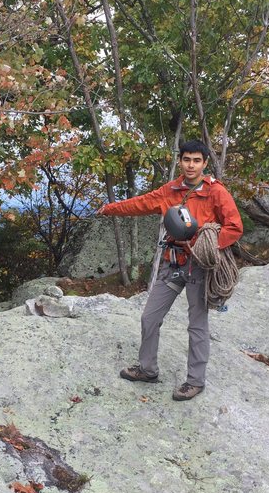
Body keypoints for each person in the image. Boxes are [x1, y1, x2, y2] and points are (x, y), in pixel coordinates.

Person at [98, 140, 243, 401]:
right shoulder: (171, 190)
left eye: (196, 160)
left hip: (200, 266)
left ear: (205, 163)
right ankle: (147, 369)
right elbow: (141, 203)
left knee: (197, 324)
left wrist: (205, 245)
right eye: (187, 159)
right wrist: (110, 209)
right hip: (172, 263)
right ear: (180, 161)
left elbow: (234, 227)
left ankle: (195, 381)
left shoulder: (216, 192)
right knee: (149, 317)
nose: (191, 165)